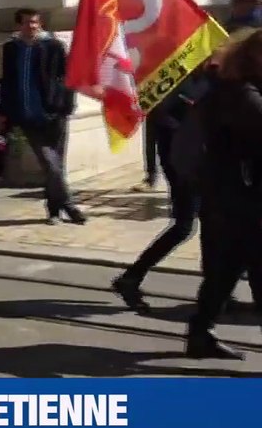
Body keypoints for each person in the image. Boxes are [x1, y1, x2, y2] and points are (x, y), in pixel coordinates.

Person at [111, 60, 215, 311]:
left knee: (212, 224)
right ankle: (131, 276)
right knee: (184, 226)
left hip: (206, 163)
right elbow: (160, 117)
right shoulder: (174, 76)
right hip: (182, 163)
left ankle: (216, 286)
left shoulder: (213, 78)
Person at [185, 32, 262, 359]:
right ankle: (201, 335)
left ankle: (201, 335)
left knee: (223, 273)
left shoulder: (232, 91)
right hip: (245, 203)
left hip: (227, 200)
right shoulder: (245, 97)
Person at [0, 8, 85, 225]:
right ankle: (70, 206)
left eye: (35, 22)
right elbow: (7, 82)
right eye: (27, 22)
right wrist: (4, 112)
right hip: (28, 117)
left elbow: (67, 78)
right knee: (50, 165)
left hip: (53, 114)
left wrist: (65, 106)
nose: (32, 26)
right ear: (19, 25)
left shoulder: (53, 46)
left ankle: (54, 211)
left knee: (56, 165)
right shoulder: (11, 48)